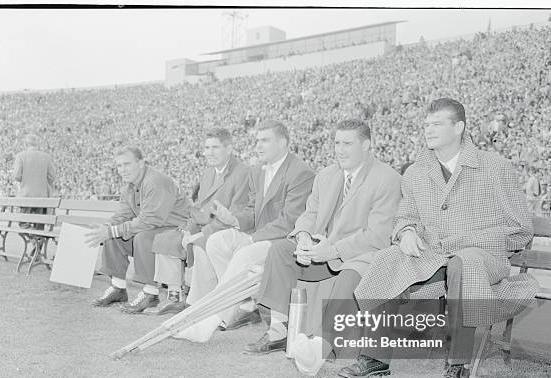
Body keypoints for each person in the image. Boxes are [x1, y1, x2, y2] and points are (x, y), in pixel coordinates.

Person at [322, 98, 538, 378]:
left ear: (459, 127)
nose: (429, 129)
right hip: (433, 256)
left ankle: (458, 365)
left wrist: (470, 241)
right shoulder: (416, 172)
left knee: (466, 263)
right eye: (426, 124)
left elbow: (521, 229)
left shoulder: (495, 167)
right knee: (388, 258)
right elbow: (404, 217)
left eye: (437, 124)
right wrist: (407, 232)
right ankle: (374, 357)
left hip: (481, 257)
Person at [244, 119, 402, 354]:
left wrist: (334, 250)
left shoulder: (387, 178)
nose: (340, 149)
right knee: (280, 249)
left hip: (354, 255)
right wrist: (304, 236)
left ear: (367, 145)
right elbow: (310, 213)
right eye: (337, 142)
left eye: (347, 143)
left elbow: (377, 236)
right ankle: (279, 330)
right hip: (322, 250)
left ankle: (323, 343)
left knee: (342, 264)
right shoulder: (326, 174)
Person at [175, 120, 315, 338]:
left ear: (283, 143)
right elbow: (251, 210)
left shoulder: (301, 173)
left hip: (283, 239)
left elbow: (290, 221)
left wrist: (253, 238)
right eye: (257, 140)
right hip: (259, 235)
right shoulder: (258, 171)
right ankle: (243, 303)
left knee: (244, 254)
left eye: (265, 140)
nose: (258, 146)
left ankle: (215, 318)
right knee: (216, 241)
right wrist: (232, 218)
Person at [149, 128, 250, 314]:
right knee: (167, 239)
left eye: (215, 147)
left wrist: (202, 233)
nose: (209, 152)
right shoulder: (208, 173)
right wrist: (189, 229)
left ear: (229, 149)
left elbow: (236, 214)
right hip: (205, 225)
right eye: (206, 147)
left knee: (201, 243)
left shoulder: (242, 173)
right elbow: (200, 210)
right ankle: (174, 296)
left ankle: (199, 302)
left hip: (226, 229)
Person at [85, 146, 190, 313]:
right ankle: (118, 288)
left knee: (143, 237)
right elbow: (122, 214)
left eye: (127, 164)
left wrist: (112, 230)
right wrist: (106, 228)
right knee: (113, 235)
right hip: (156, 227)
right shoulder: (130, 186)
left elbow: (150, 220)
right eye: (119, 166)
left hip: (178, 229)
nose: (122, 170)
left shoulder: (155, 181)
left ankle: (151, 293)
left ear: (141, 163)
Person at [13, 133, 57, 228]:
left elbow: (16, 176)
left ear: (25, 144)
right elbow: (52, 177)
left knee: (23, 224)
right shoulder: (46, 157)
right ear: (37, 145)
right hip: (41, 197)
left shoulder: (20, 156)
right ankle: (37, 239)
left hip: (26, 196)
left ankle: (34, 238)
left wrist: (25, 179)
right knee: (39, 226)